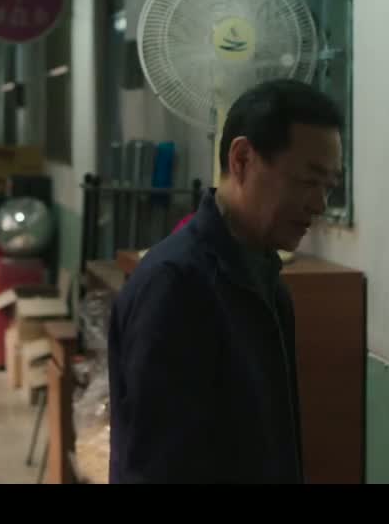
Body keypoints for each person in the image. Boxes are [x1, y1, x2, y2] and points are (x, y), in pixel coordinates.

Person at [107, 78, 344, 484]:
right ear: (242, 159)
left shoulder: (268, 282)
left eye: (329, 187)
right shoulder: (174, 286)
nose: (319, 204)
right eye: (308, 181)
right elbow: (156, 467)